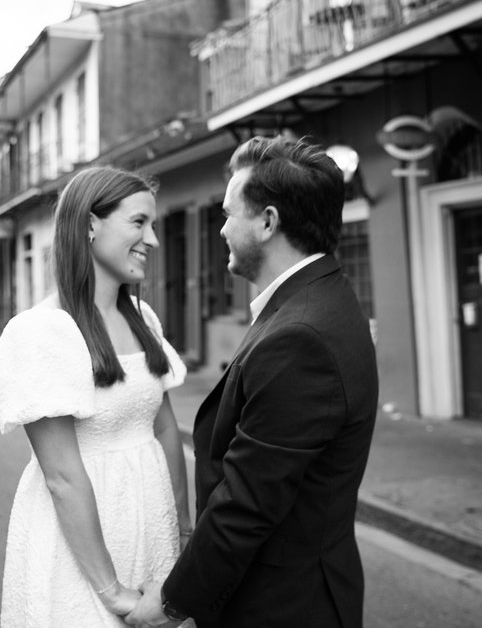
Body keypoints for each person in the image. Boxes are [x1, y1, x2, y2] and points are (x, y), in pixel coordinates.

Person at [127, 135, 379, 627]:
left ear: (267, 222)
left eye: (228, 214)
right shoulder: (318, 299)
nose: (220, 229)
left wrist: (173, 602)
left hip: (283, 607)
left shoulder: (300, 336)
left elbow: (248, 502)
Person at [0, 166, 192, 627]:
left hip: (152, 525)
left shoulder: (145, 318)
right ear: (89, 224)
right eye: (139, 222)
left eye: (153, 225)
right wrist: (112, 591)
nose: (153, 239)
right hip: (83, 550)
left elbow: (163, 427)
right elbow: (61, 475)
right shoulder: (40, 332)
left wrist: (182, 530)